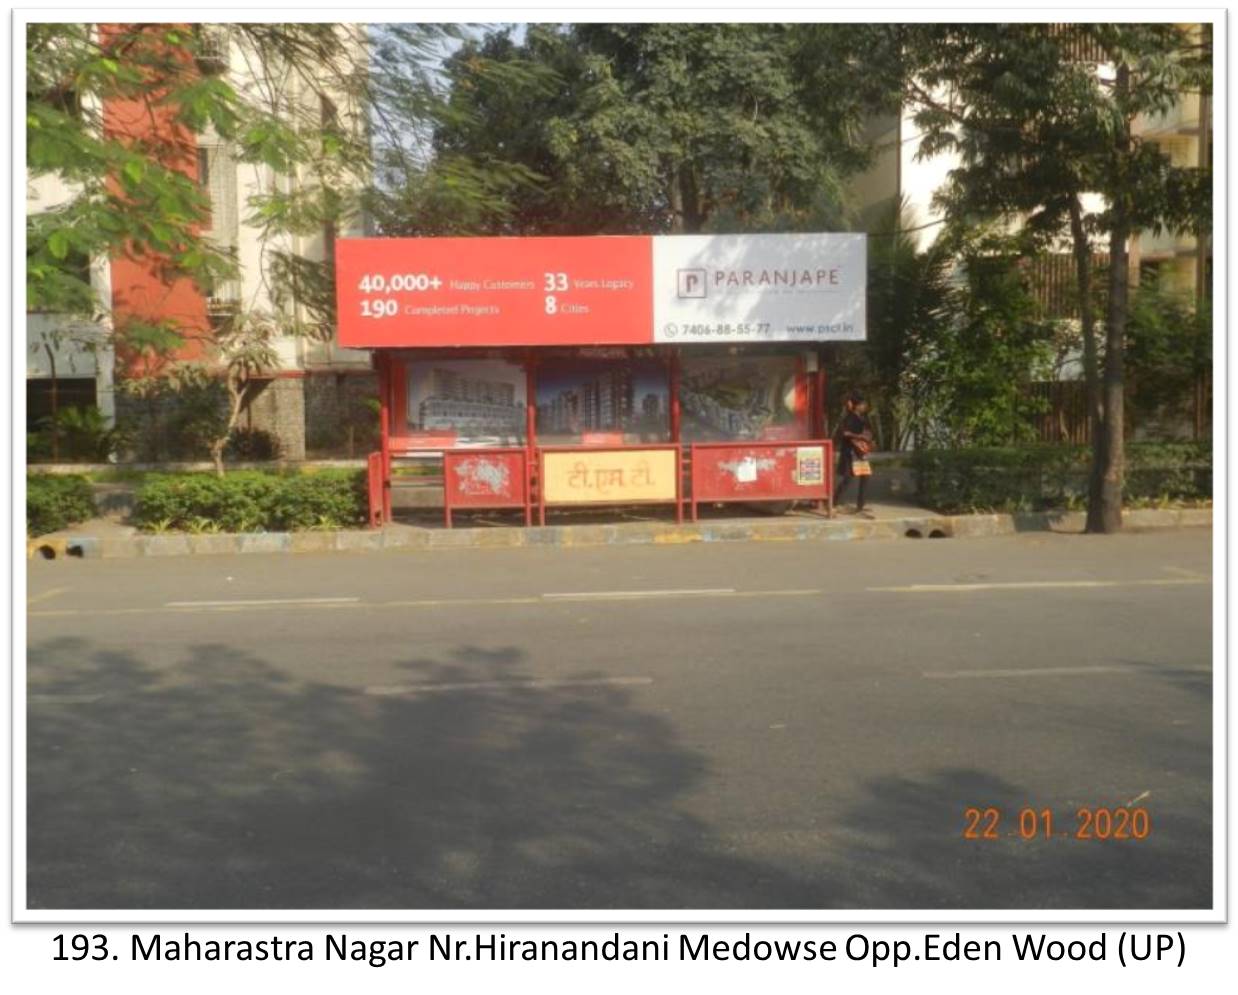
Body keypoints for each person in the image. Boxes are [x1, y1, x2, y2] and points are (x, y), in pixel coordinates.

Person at [832, 391, 874, 517]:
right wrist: (860, 436)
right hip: (851, 452)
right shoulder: (850, 418)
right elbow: (845, 433)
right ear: (856, 405)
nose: (864, 406)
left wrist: (869, 439)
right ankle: (834, 501)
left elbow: (867, 432)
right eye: (862, 404)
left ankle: (860, 505)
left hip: (860, 451)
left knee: (864, 477)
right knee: (849, 478)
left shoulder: (862, 418)